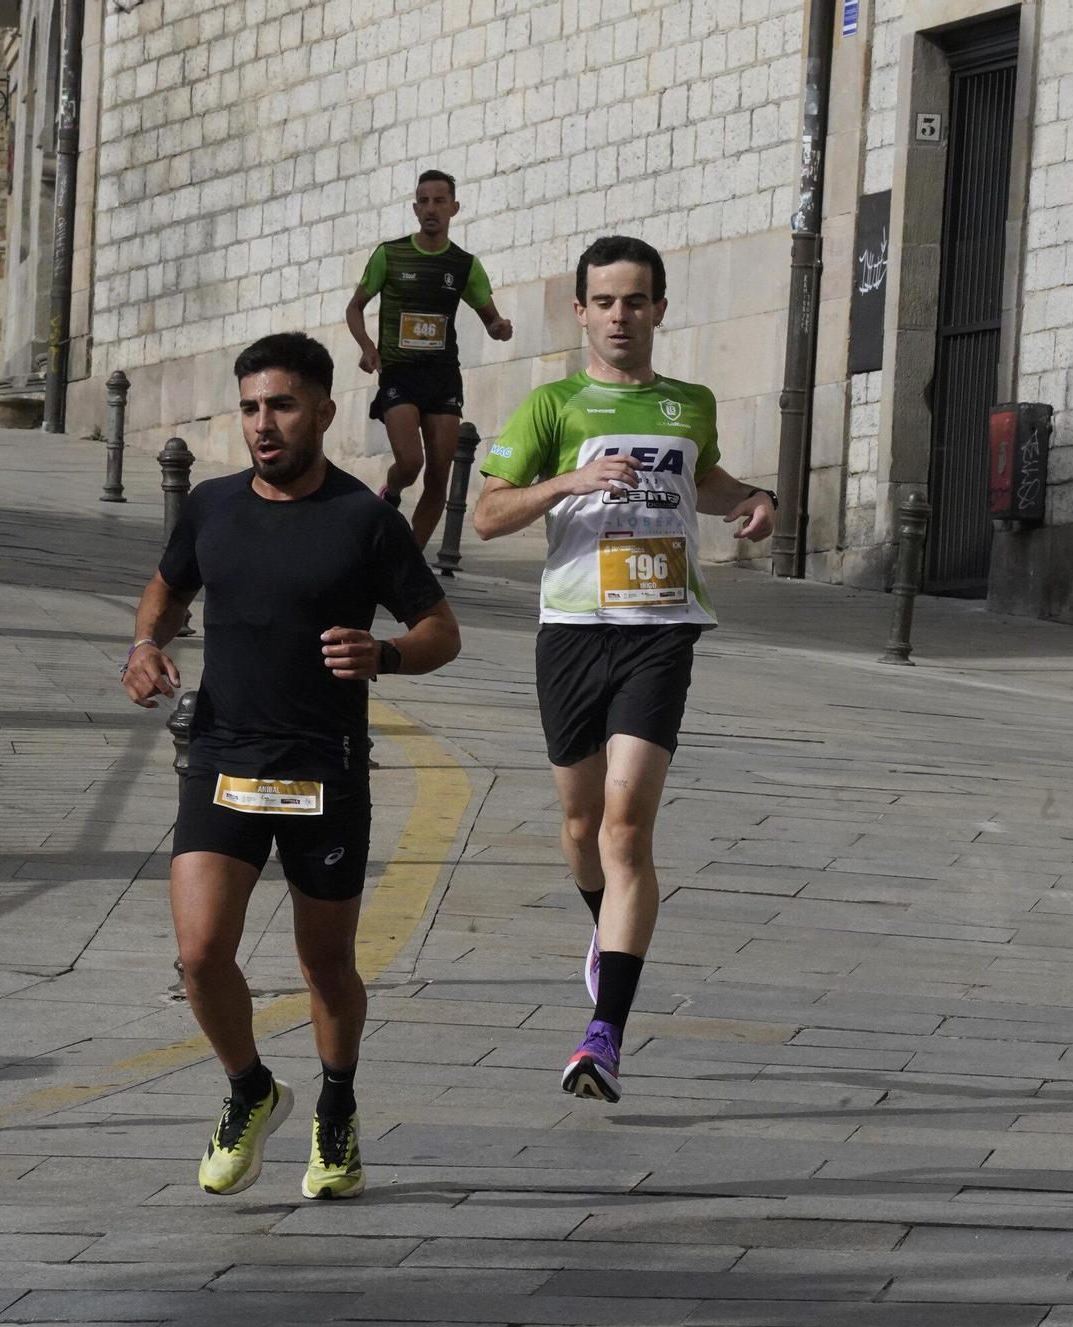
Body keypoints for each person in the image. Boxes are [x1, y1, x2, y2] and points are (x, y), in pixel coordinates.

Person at [122, 332, 461, 1198]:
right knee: (200, 954)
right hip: (224, 757)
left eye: (280, 405)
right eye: (248, 408)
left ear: (323, 411)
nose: (262, 424)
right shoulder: (211, 507)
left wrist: (385, 655)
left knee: (326, 965)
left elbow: (440, 630)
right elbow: (166, 588)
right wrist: (144, 644)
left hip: (324, 767)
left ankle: (336, 1106)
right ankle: (251, 1089)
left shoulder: (364, 521)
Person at [472, 235, 775, 1103]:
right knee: (579, 828)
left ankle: (603, 1036)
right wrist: (568, 482)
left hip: (661, 629)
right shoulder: (553, 405)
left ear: (659, 310)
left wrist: (752, 499)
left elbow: (700, 480)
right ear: (580, 312)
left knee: (626, 827)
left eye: (635, 301)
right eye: (603, 302)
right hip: (573, 630)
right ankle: (605, 929)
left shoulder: (689, 403)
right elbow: (488, 514)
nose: (619, 316)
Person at [345, 170, 512, 550]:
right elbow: (355, 307)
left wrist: (499, 327)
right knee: (410, 463)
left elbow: (490, 318)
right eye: (424, 201)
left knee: (439, 474)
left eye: (439, 201)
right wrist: (367, 347)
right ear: (415, 208)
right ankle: (391, 491)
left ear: (454, 208)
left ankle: (410, 558)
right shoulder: (390, 254)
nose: (431, 208)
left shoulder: (464, 265)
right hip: (399, 374)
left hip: (442, 378)